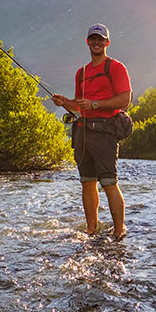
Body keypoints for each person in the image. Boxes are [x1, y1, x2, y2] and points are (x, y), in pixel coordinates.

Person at [52, 23, 132, 240]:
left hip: (105, 133)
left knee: (108, 182)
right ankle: (91, 229)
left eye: (101, 39)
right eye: (93, 39)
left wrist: (95, 105)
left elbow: (125, 101)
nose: (97, 43)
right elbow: (79, 106)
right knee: (87, 182)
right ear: (88, 42)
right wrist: (64, 102)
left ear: (107, 42)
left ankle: (118, 231)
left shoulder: (115, 68)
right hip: (83, 134)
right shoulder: (82, 73)